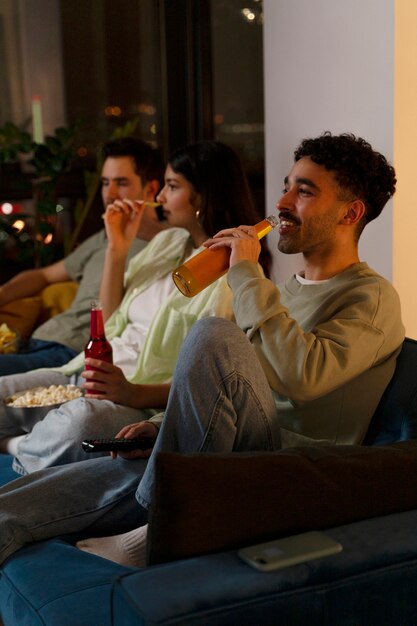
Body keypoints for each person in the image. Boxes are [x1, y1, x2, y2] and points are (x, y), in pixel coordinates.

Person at [0, 132, 405, 569]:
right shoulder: (282, 294)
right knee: (13, 509)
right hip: (218, 456)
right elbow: (226, 390)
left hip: (288, 467)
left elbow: (301, 378)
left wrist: (247, 270)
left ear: (351, 212)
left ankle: (164, 527)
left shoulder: (371, 297)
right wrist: (160, 425)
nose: (283, 202)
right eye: (286, 185)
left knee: (213, 333)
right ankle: (163, 495)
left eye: (303, 191)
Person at [0, 140, 263, 475]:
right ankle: (32, 446)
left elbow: (207, 384)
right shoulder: (167, 243)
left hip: (135, 399)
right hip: (87, 372)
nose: (162, 197)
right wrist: (117, 248)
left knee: (78, 426)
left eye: (172, 186)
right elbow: (109, 323)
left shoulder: (236, 274)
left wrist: (132, 392)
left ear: (204, 196)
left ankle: (16, 447)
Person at [0, 137, 165, 375]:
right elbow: (44, 275)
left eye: (122, 183)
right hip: (37, 341)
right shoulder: (103, 237)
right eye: (105, 183)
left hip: (74, 352)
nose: (110, 194)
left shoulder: (166, 244)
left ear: (150, 189)